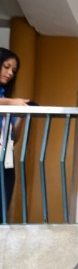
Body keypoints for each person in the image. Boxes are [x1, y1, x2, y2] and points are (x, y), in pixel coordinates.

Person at [0, 47, 30, 216]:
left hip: (5, 158)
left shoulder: (6, 96)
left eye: (13, 70)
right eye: (6, 66)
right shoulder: (7, 100)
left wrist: (22, 117)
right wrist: (11, 102)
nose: (10, 73)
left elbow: (14, 138)